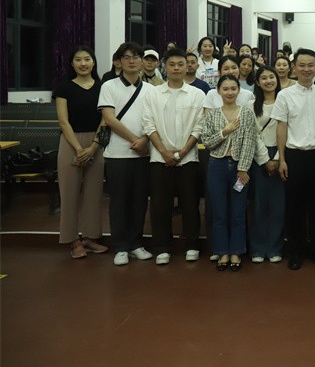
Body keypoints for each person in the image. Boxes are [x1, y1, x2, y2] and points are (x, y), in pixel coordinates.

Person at [141, 47, 205, 265]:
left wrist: (183, 151)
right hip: (160, 158)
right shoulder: (153, 94)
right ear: (165, 67)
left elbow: (199, 126)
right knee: (160, 206)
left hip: (188, 159)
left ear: (187, 67)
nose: (176, 68)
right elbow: (148, 124)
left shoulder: (197, 94)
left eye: (180, 64)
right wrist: (164, 151)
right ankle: (162, 247)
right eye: (172, 64)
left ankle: (192, 245)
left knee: (190, 205)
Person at [274, 49, 315, 270]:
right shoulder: (284, 95)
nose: (306, 69)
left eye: (310, 65)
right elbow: (281, 127)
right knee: (294, 206)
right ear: (294, 68)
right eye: (302, 65)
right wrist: (282, 159)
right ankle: (295, 250)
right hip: (294, 156)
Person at [97, 42, 153, 266]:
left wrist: (145, 140)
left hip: (144, 154)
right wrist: (134, 140)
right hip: (117, 154)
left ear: (142, 61)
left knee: (139, 201)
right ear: (119, 61)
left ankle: (136, 243)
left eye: (136, 56)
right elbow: (109, 119)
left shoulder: (150, 89)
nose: (132, 61)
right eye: (127, 57)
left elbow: (154, 120)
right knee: (119, 202)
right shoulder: (109, 86)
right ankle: (120, 246)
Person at [200, 75, 258, 271]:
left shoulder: (246, 114)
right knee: (219, 212)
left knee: (238, 212)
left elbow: (250, 142)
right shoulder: (212, 115)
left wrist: (243, 168)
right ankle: (222, 251)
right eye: (225, 89)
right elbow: (207, 142)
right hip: (216, 165)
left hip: (239, 168)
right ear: (218, 91)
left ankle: (236, 251)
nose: (230, 92)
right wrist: (224, 132)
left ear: (238, 91)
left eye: (233, 88)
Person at [54, 46, 107, 259]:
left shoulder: (102, 87)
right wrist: (78, 148)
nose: (83, 63)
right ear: (72, 63)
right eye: (78, 59)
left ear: (93, 62)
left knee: (94, 193)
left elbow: (105, 119)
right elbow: (63, 121)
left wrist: (93, 146)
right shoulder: (64, 87)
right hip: (70, 142)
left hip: (96, 142)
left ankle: (90, 237)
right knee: (69, 193)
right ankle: (72, 240)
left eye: (87, 59)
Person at [249, 66, 285, 264]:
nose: (269, 81)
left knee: (278, 206)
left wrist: (278, 158)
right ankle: (258, 248)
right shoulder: (251, 105)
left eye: (272, 77)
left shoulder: (285, 101)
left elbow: (288, 130)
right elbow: (253, 134)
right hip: (259, 157)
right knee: (259, 204)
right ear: (257, 82)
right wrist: (265, 160)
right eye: (264, 78)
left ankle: (275, 248)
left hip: (282, 155)